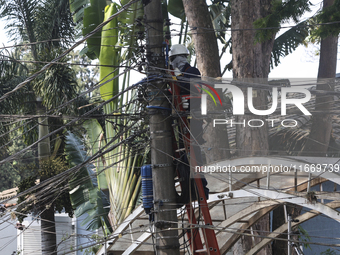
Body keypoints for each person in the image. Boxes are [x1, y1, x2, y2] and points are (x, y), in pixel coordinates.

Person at [169, 44, 208, 205]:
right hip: (180, 120)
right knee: (184, 157)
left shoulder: (192, 72)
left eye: (174, 59)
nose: (174, 62)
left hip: (193, 119)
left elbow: (190, 88)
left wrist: (176, 75)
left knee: (194, 154)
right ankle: (187, 190)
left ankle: (201, 189)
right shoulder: (172, 77)